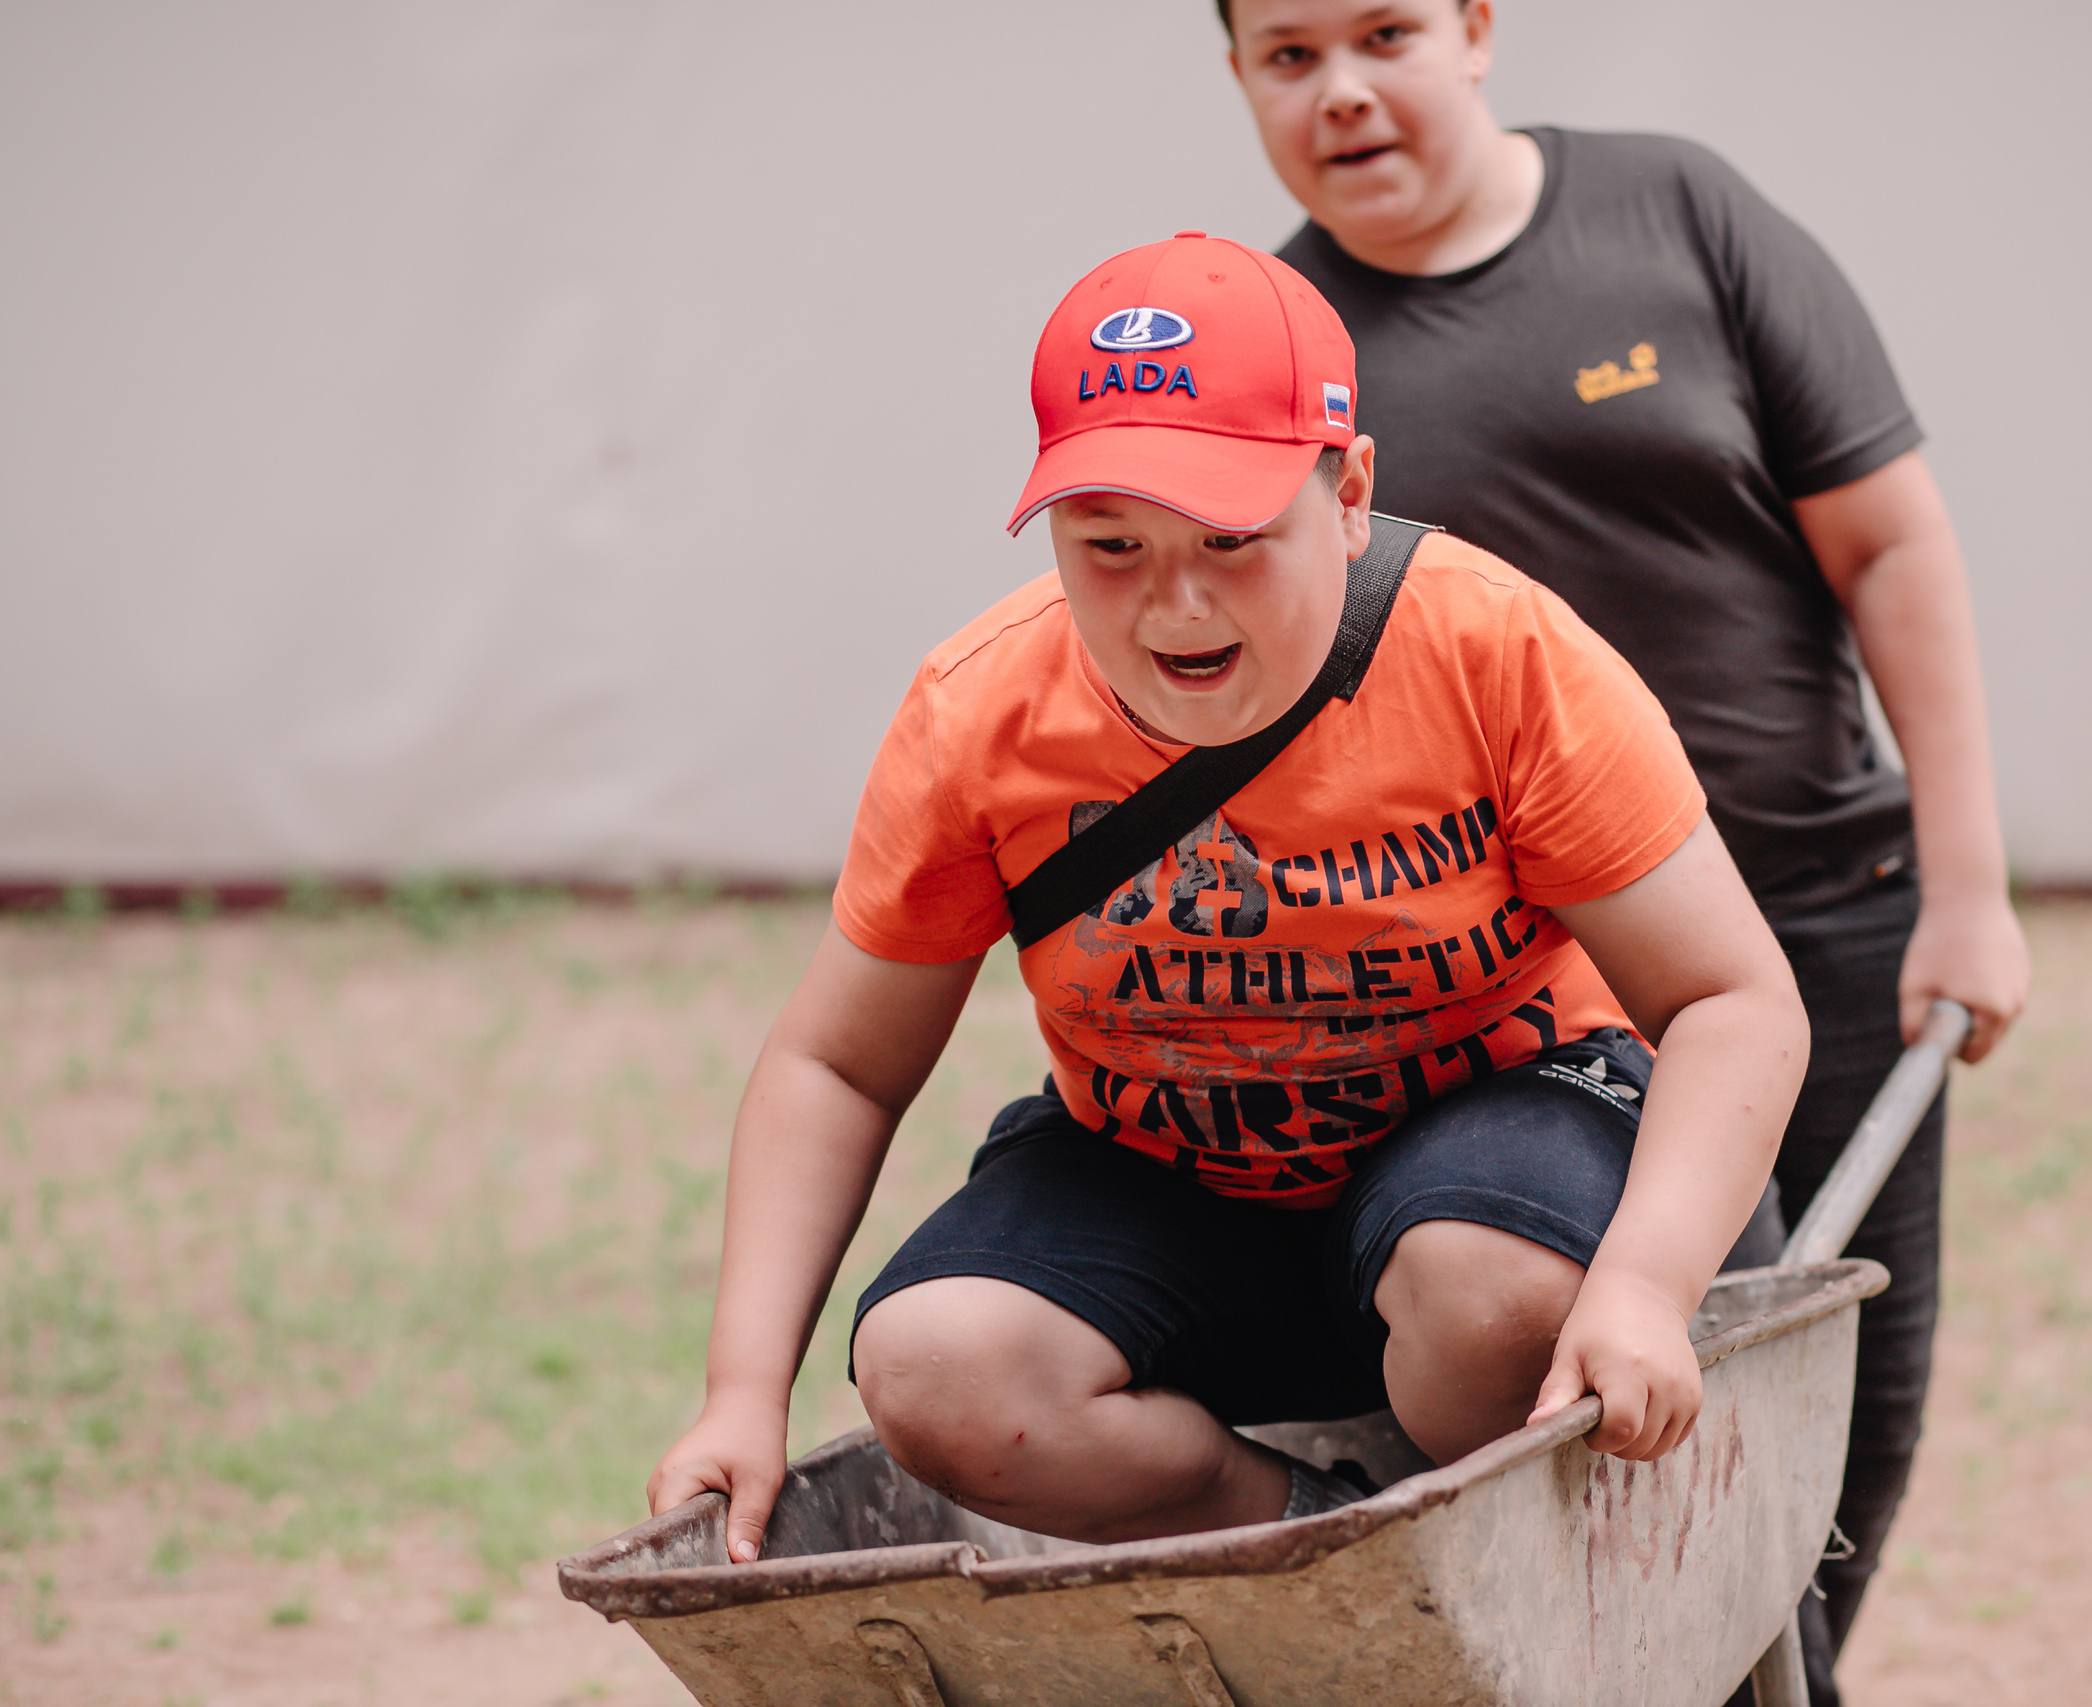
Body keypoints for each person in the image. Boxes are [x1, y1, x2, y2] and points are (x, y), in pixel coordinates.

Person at [645, 231, 1811, 1556]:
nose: (1178, 605)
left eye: (1234, 537)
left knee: (1496, 1295)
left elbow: (1733, 998)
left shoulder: (1496, 654)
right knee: (937, 1367)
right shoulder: (980, 713)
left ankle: (1505, 1557)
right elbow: (839, 1064)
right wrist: (742, 1397)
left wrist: (1646, 1285)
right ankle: (1316, 1549)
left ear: (1350, 491)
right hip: (1172, 1171)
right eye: (1112, 545)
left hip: (1498, 1142)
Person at [1217, 3, 2034, 1700]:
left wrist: (1967, 888)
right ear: (1240, 78)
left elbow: (1890, 548)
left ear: (1475, 28)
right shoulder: (1276, 360)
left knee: (1853, 1412)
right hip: (1543, 1000)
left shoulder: (1679, 215)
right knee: (1683, 1435)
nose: (1343, 90)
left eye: (1384, 32)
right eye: (1288, 55)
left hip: (1824, 913)